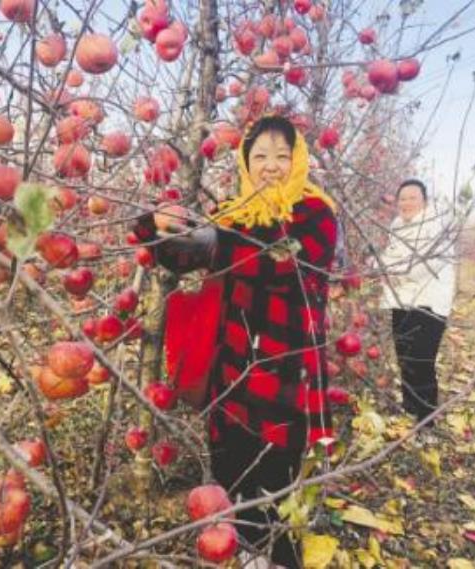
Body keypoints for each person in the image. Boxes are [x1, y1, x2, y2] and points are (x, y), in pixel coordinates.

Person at [133, 115, 338, 568]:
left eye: (282, 156)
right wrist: (155, 226)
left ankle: (279, 558)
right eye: (259, 156)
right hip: (231, 372)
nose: (270, 166)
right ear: (246, 162)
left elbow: (279, 266)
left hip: (285, 376)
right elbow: (185, 256)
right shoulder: (232, 215)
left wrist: (215, 244)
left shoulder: (317, 216)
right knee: (231, 475)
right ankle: (245, 556)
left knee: (277, 482)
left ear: (297, 160)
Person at [377, 179, 456, 425]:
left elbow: (419, 268)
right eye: (402, 198)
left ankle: (426, 420)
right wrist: (382, 268)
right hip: (402, 302)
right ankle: (409, 410)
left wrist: (389, 271)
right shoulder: (397, 226)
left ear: (424, 201)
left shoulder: (436, 228)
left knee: (422, 361)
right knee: (405, 360)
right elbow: (384, 260)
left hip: (429, 304)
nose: (407, 203)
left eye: (413, 198)